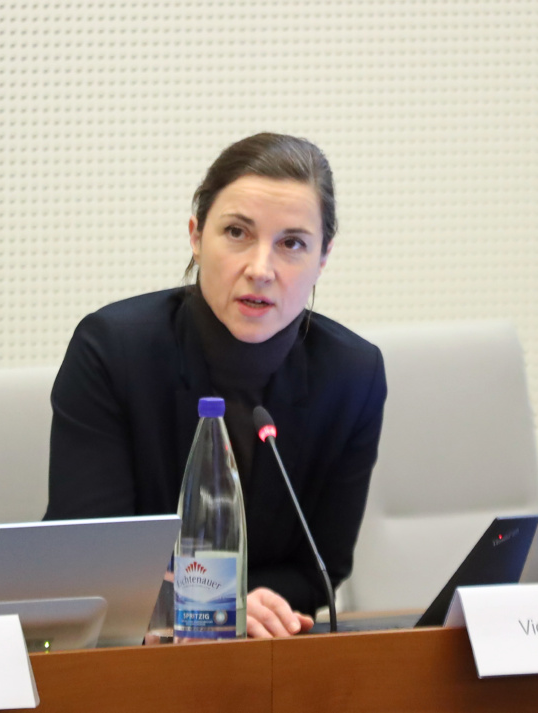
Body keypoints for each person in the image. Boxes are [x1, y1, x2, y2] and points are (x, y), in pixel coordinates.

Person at [45, 133, 387, 638]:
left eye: (292, 243)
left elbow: (320, 570)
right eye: (236, 232)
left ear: (323, 257)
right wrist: (217, 606)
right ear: (196, 236)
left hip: (265, 650)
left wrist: (245, 608)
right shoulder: (113, 351)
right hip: (131, 652)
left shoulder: (352, 374)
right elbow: (88, 561)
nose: (260, 269)